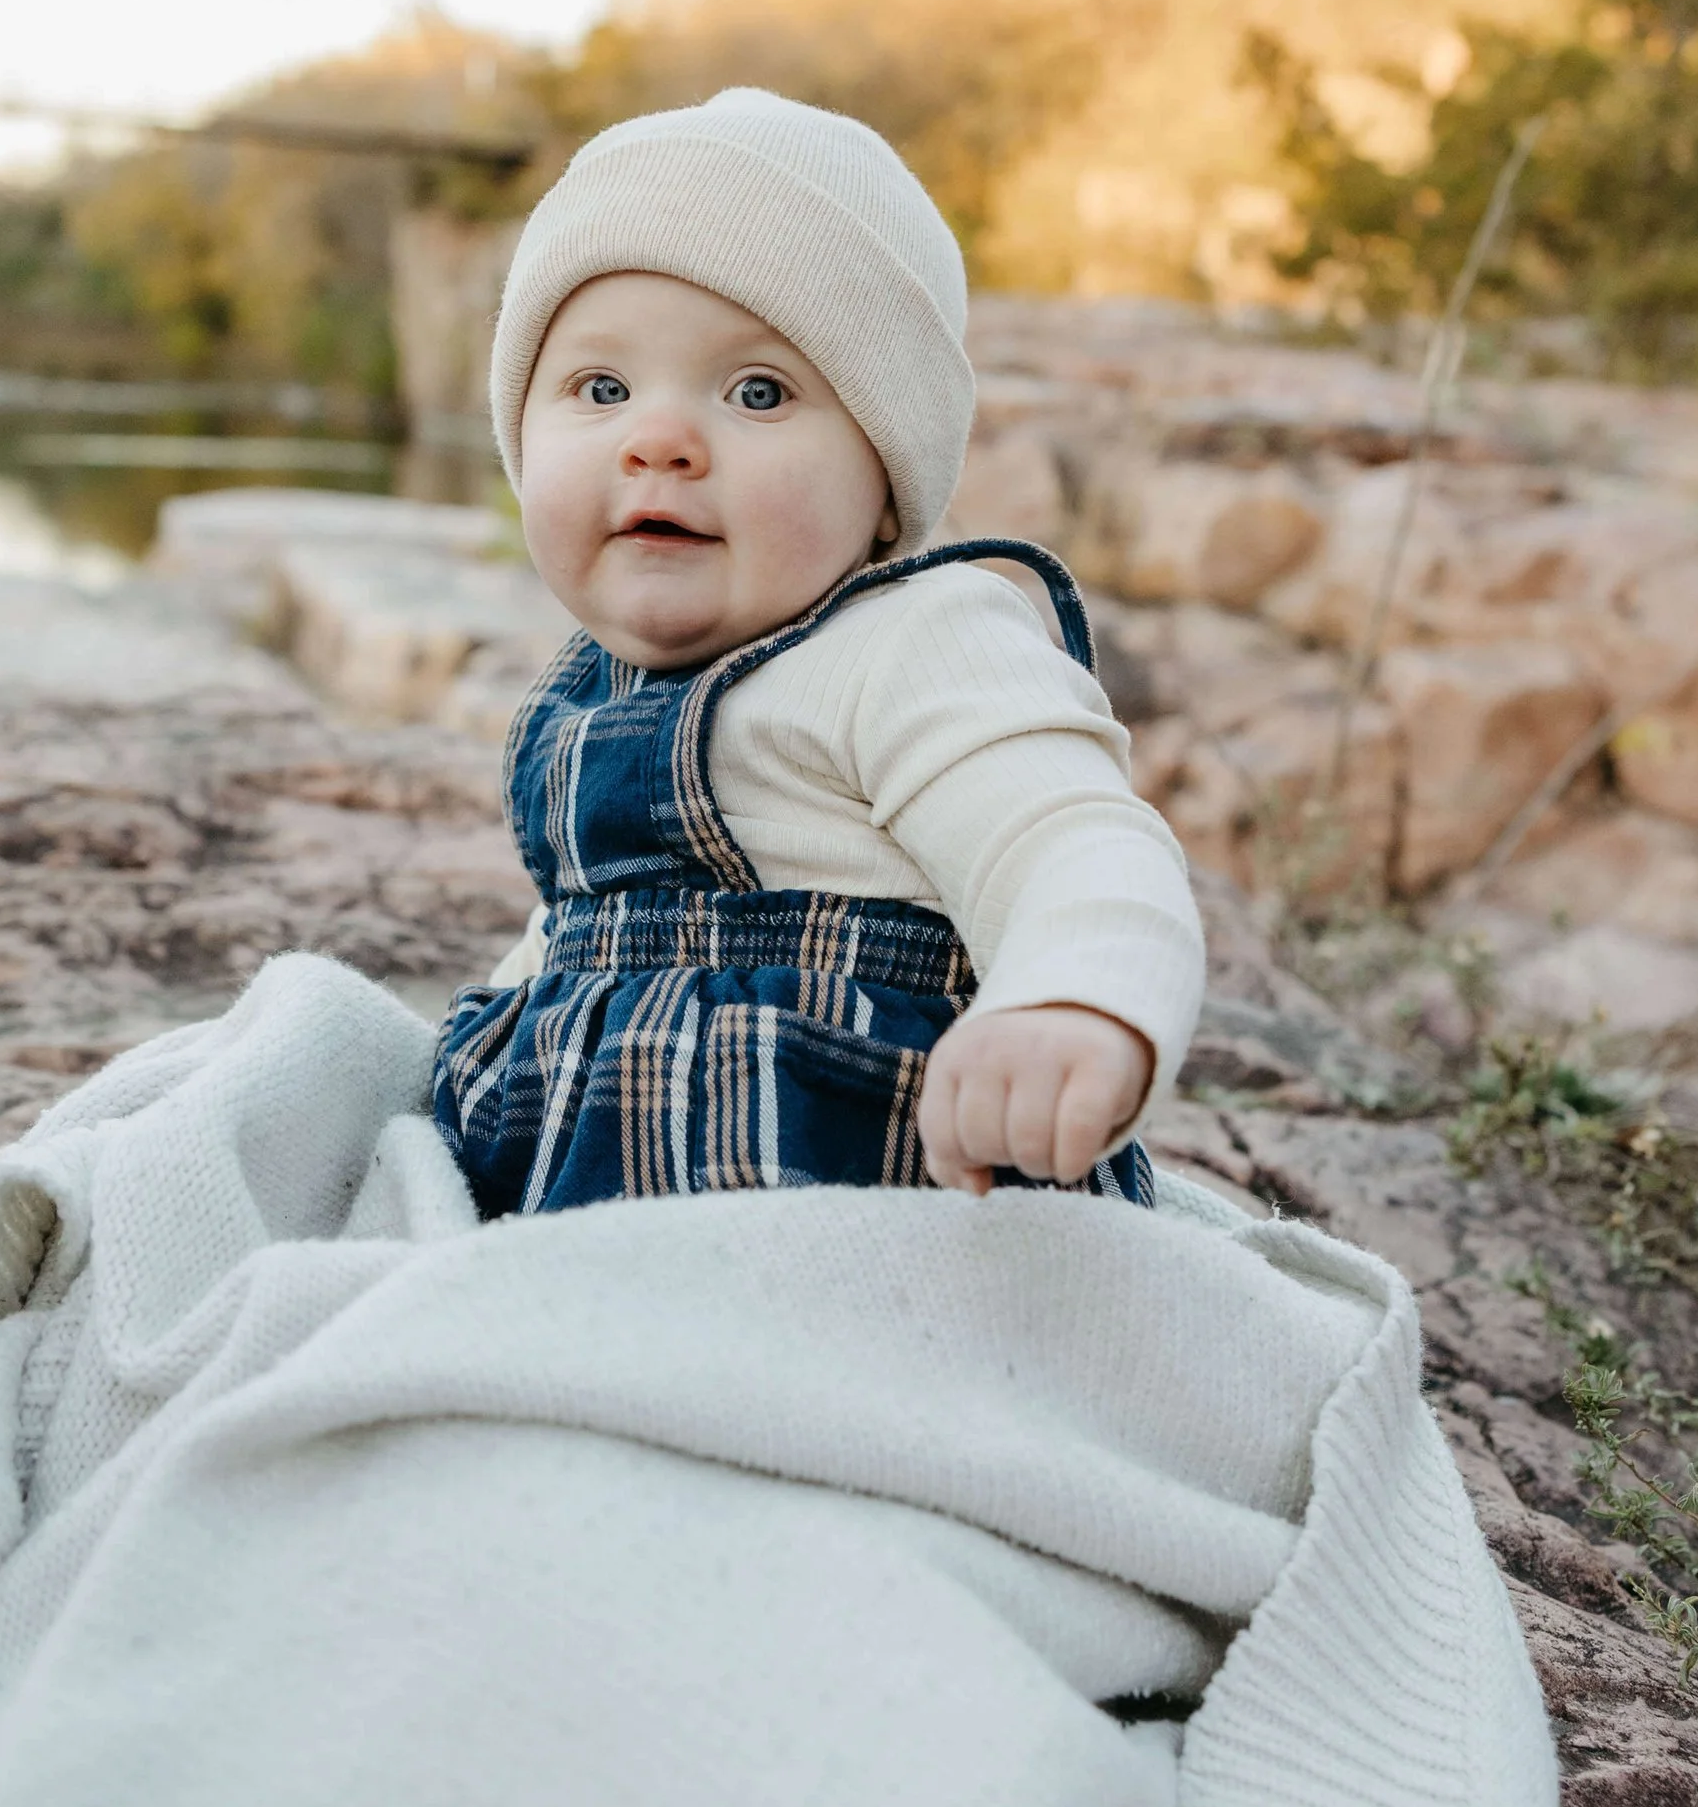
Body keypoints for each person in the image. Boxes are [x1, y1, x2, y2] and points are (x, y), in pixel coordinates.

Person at [432, 86, 1205, 1215]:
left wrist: (1072, 1003)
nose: (658, 440)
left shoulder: (919, 642)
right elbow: (574, 943)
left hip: (862, 1221)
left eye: (757, 393)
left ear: (885, 479)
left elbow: (1074, 845)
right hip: (588, 1208)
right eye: (602, 388)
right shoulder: (587, 693)